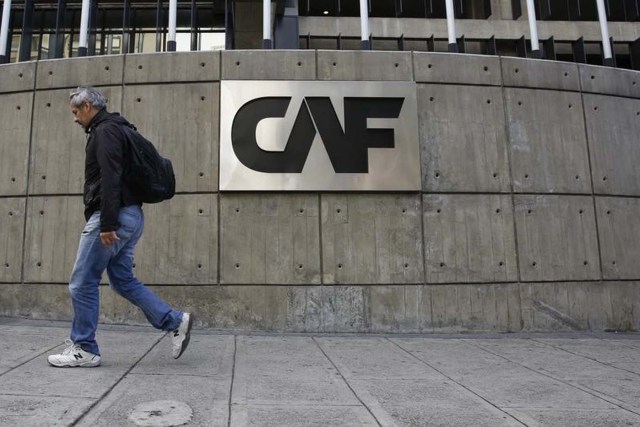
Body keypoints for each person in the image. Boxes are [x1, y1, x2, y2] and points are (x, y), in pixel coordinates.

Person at [47, 86, 192, 368]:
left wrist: (107, 223)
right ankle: (175, 321)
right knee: (122, 280)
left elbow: (110, 176)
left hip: (112, 217)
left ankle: (85, 348)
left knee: (82, 281)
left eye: (76, 112)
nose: (75, 118)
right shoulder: (119, 128)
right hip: (132, 215)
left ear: (88, 106)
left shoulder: (105, 131)